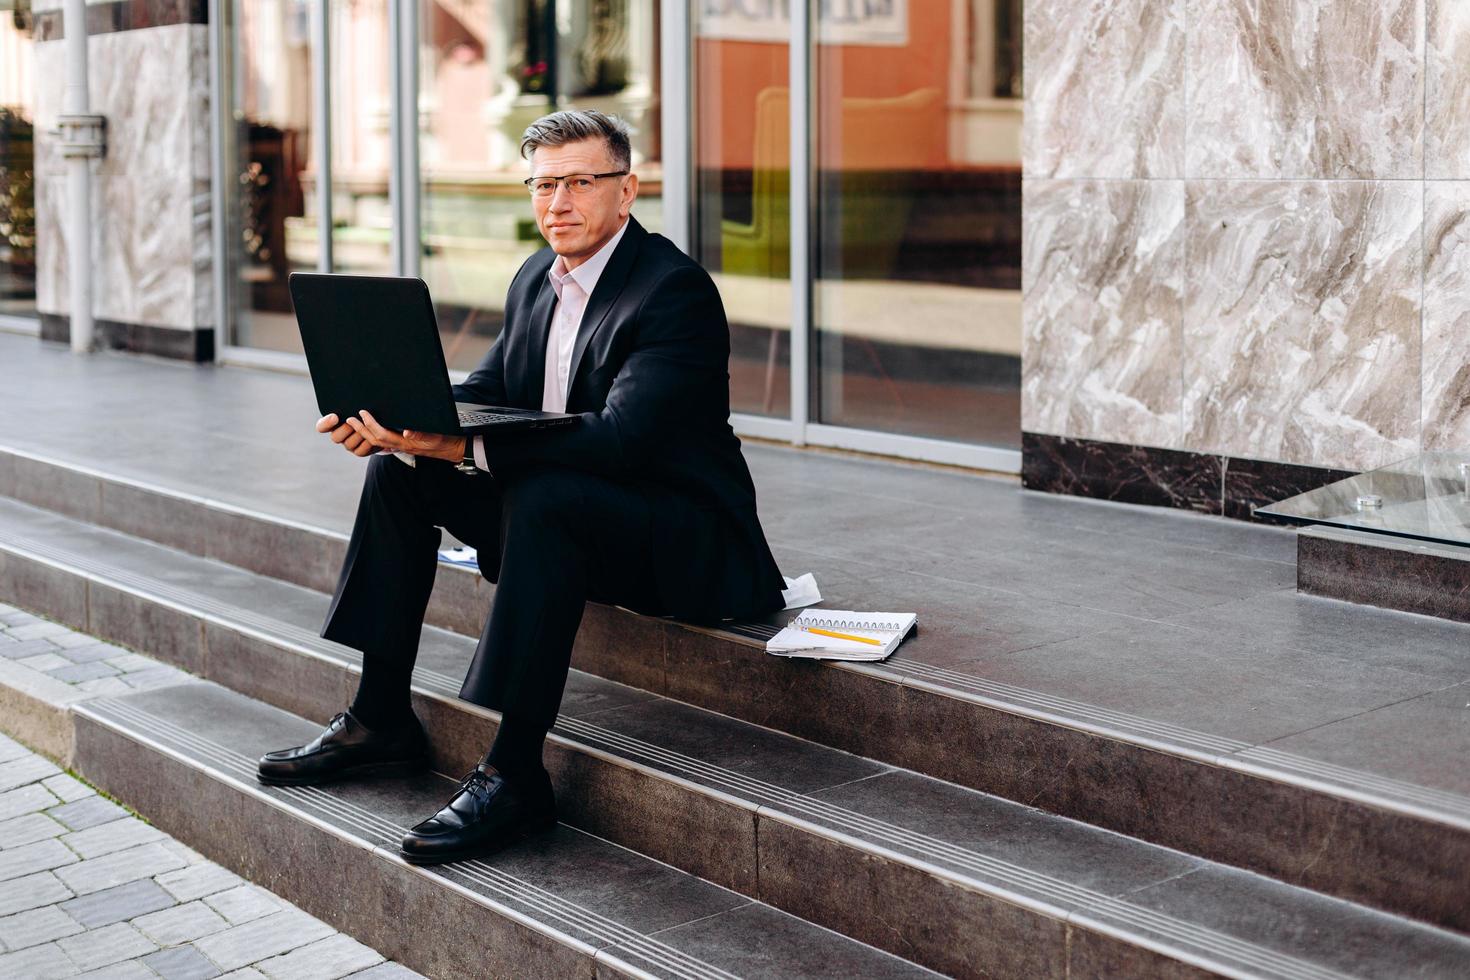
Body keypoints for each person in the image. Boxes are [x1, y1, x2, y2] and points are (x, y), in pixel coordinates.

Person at [255, 110, 787, 865]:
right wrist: (402, 428)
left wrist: (460, 442)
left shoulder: (673, 292)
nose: (557, 203)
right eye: (542, 184)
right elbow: (492, 388)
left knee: (544, 496)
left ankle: (514, 773)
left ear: (627, 190)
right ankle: (380, 720)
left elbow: (620, 439)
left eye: (579, 182)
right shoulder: (538, 276)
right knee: (399, 474)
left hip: (684, 537)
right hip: (579, 519)